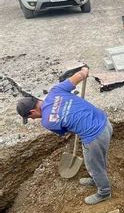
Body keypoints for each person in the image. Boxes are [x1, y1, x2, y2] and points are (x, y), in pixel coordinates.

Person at [16, 66, 113, 204]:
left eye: (30, 117)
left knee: (93, 164)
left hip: (94, 136)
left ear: (32, 112)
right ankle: (96, 178)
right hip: (105, 122)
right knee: (97, 159)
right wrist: (85, 71)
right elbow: (80, 75)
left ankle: (104, 192)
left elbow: (66, 131)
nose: (32, 119)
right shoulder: (55, 91)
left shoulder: (47, 121)